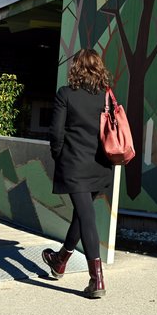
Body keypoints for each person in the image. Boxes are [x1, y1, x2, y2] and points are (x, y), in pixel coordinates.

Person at [42, 49, 113, 298]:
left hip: (74, 165)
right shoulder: (106, 96)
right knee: (82, 213)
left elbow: (56, 133)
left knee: (86, 216)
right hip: (101, 165)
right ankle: (60, 260)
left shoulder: (66, 94)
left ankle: (97, 280)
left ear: (76, 68)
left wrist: (59, 156)